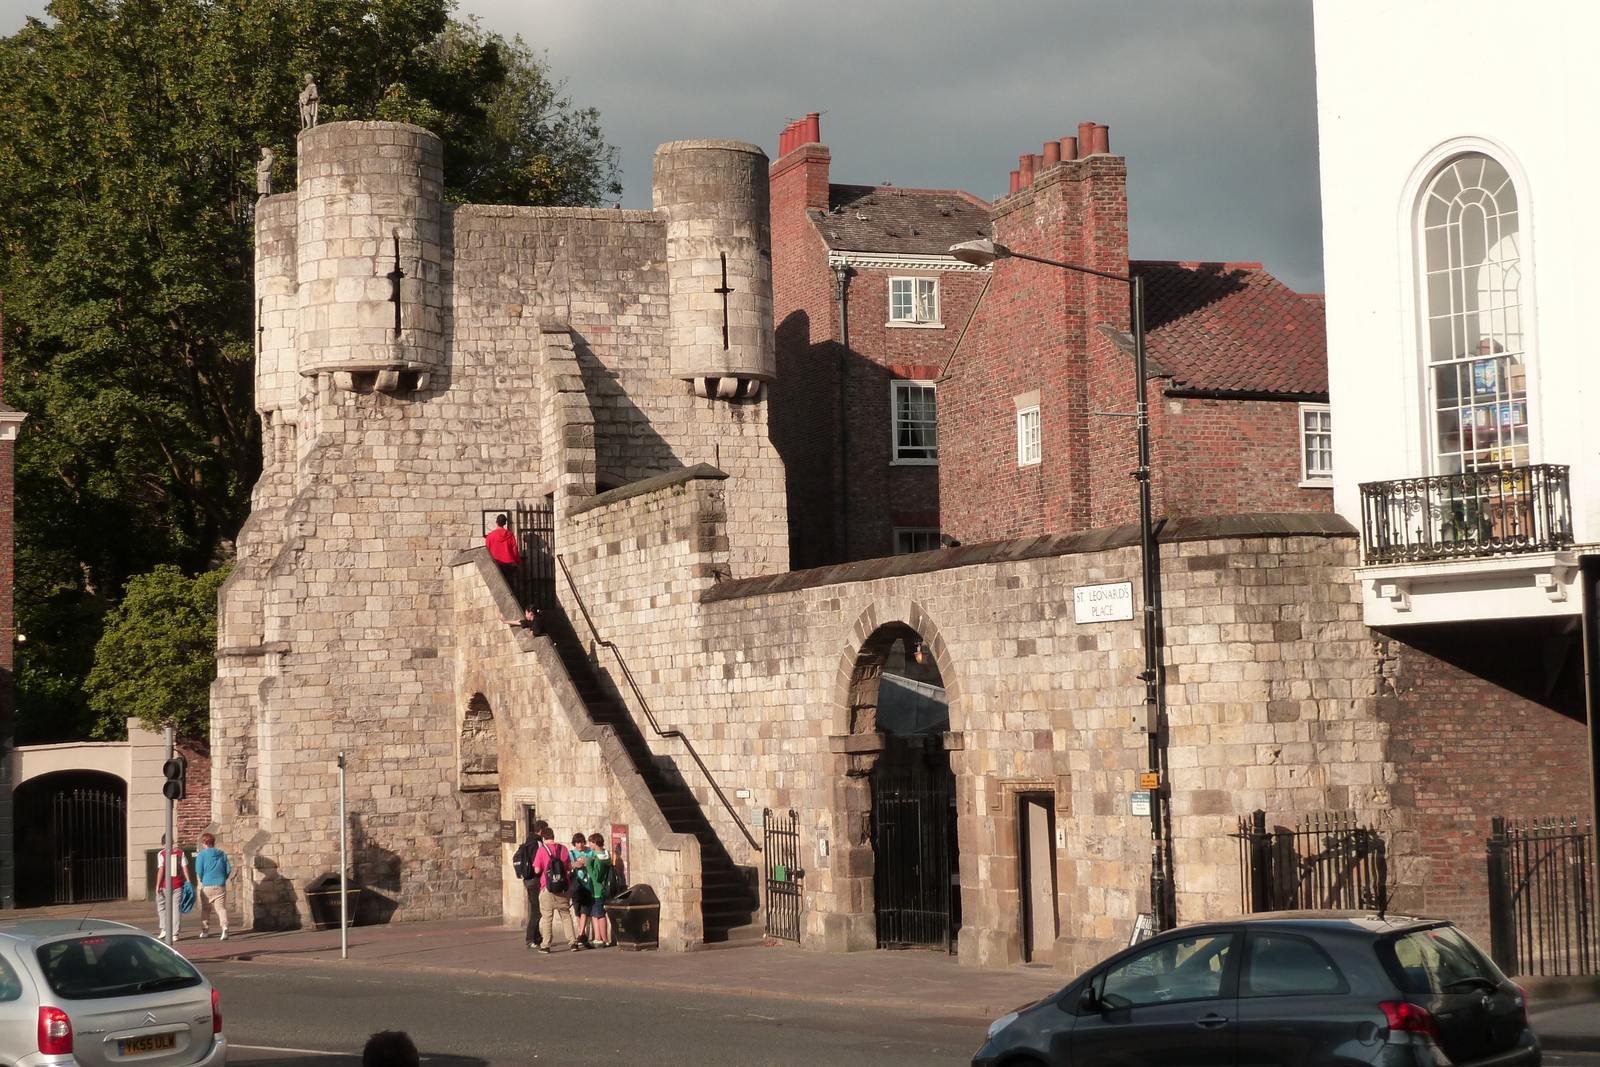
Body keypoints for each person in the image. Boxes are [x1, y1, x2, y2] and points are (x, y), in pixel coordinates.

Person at [530, 824, 579, 953]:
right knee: (566, 916)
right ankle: (573, 943)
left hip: (547, 888)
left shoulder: (541, 850)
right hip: (563, 888)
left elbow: (537, 869)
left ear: (543, 838)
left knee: (547, 917)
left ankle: (546, 945)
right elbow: (569, 867)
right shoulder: (563, 849)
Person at [512, 822, 545, 950]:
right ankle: (531, 938)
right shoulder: (537, 844)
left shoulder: (527, 842)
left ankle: (537, 937)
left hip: (527, 879)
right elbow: (538, 863)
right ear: (541, 831)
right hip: (535, 879)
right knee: (537, 911)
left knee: (535, 908)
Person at [194, 833, 232, 940]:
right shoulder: (222, 854)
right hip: (220, 885)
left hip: (207, 885)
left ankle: (205, 931)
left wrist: (202, 879)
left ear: (204, 842)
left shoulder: (201, 855)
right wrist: (223, 878)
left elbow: (199, 870)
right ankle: (224, 926)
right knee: (221, 908)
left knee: (206, 909)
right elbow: (228, 869)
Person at [154, 835, 189, 941]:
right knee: (176, 908)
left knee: (161, 906)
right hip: (178, 884)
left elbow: (161, 870)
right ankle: (175, 933)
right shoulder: (180, 853)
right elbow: (185, 867)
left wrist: (157, 885)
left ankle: (164, 928)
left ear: (162, 843)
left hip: (165, 885)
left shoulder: (162, 854)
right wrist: (188, 881)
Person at [586, 833, 613, 947]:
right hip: (599, 889)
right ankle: (598, 938)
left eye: (590, 842)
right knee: (595, 914)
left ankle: (604, 939)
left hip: (598, 889)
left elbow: (596, 877)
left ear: (595, 843)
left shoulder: (597, 859)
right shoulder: (606, 855)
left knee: (600, 914)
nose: (589, 845)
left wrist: (588, 864)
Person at [568, 834, 594, 947]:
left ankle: (580, 933)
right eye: (578, 843)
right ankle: (582, 935)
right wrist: (574, 864)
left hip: (587, 884)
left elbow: (595, 859)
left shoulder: (590, 852)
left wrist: (587, 861)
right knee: (577, 911)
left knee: (585, 910)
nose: (580, 845)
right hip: (575, 885)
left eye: (582, 842)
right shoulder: (572, 853)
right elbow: (567, 866)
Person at [485, 514, 521, 596]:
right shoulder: (510, 534)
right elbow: (514, 550)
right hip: (509, 563)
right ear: (505, 523)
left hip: (496, 563)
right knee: (510, 587)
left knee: (497, 586)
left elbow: (487, 552)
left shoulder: (490, 536)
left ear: (496, 522)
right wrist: (518, 562)